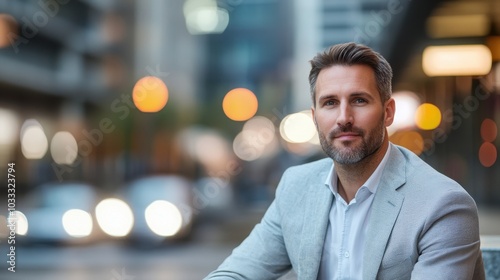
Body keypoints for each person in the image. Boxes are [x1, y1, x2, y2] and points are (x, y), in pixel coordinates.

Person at [204, 42, 485, 279]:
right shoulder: (296, 187)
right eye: (329, 103)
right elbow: (236, 273)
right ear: (315, 119)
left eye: (359, 100)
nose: (343, 118)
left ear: (388, 113)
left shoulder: (443, 205)